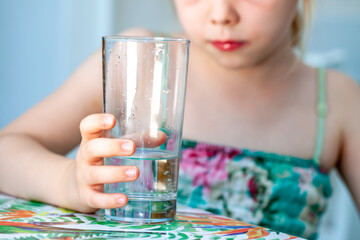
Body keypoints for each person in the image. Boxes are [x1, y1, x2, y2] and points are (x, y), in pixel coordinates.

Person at [0, 0, 359, 239]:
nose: (221, 13)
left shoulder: (338, 100)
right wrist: (68, 182)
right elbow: (6, 152)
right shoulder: (137, 58)